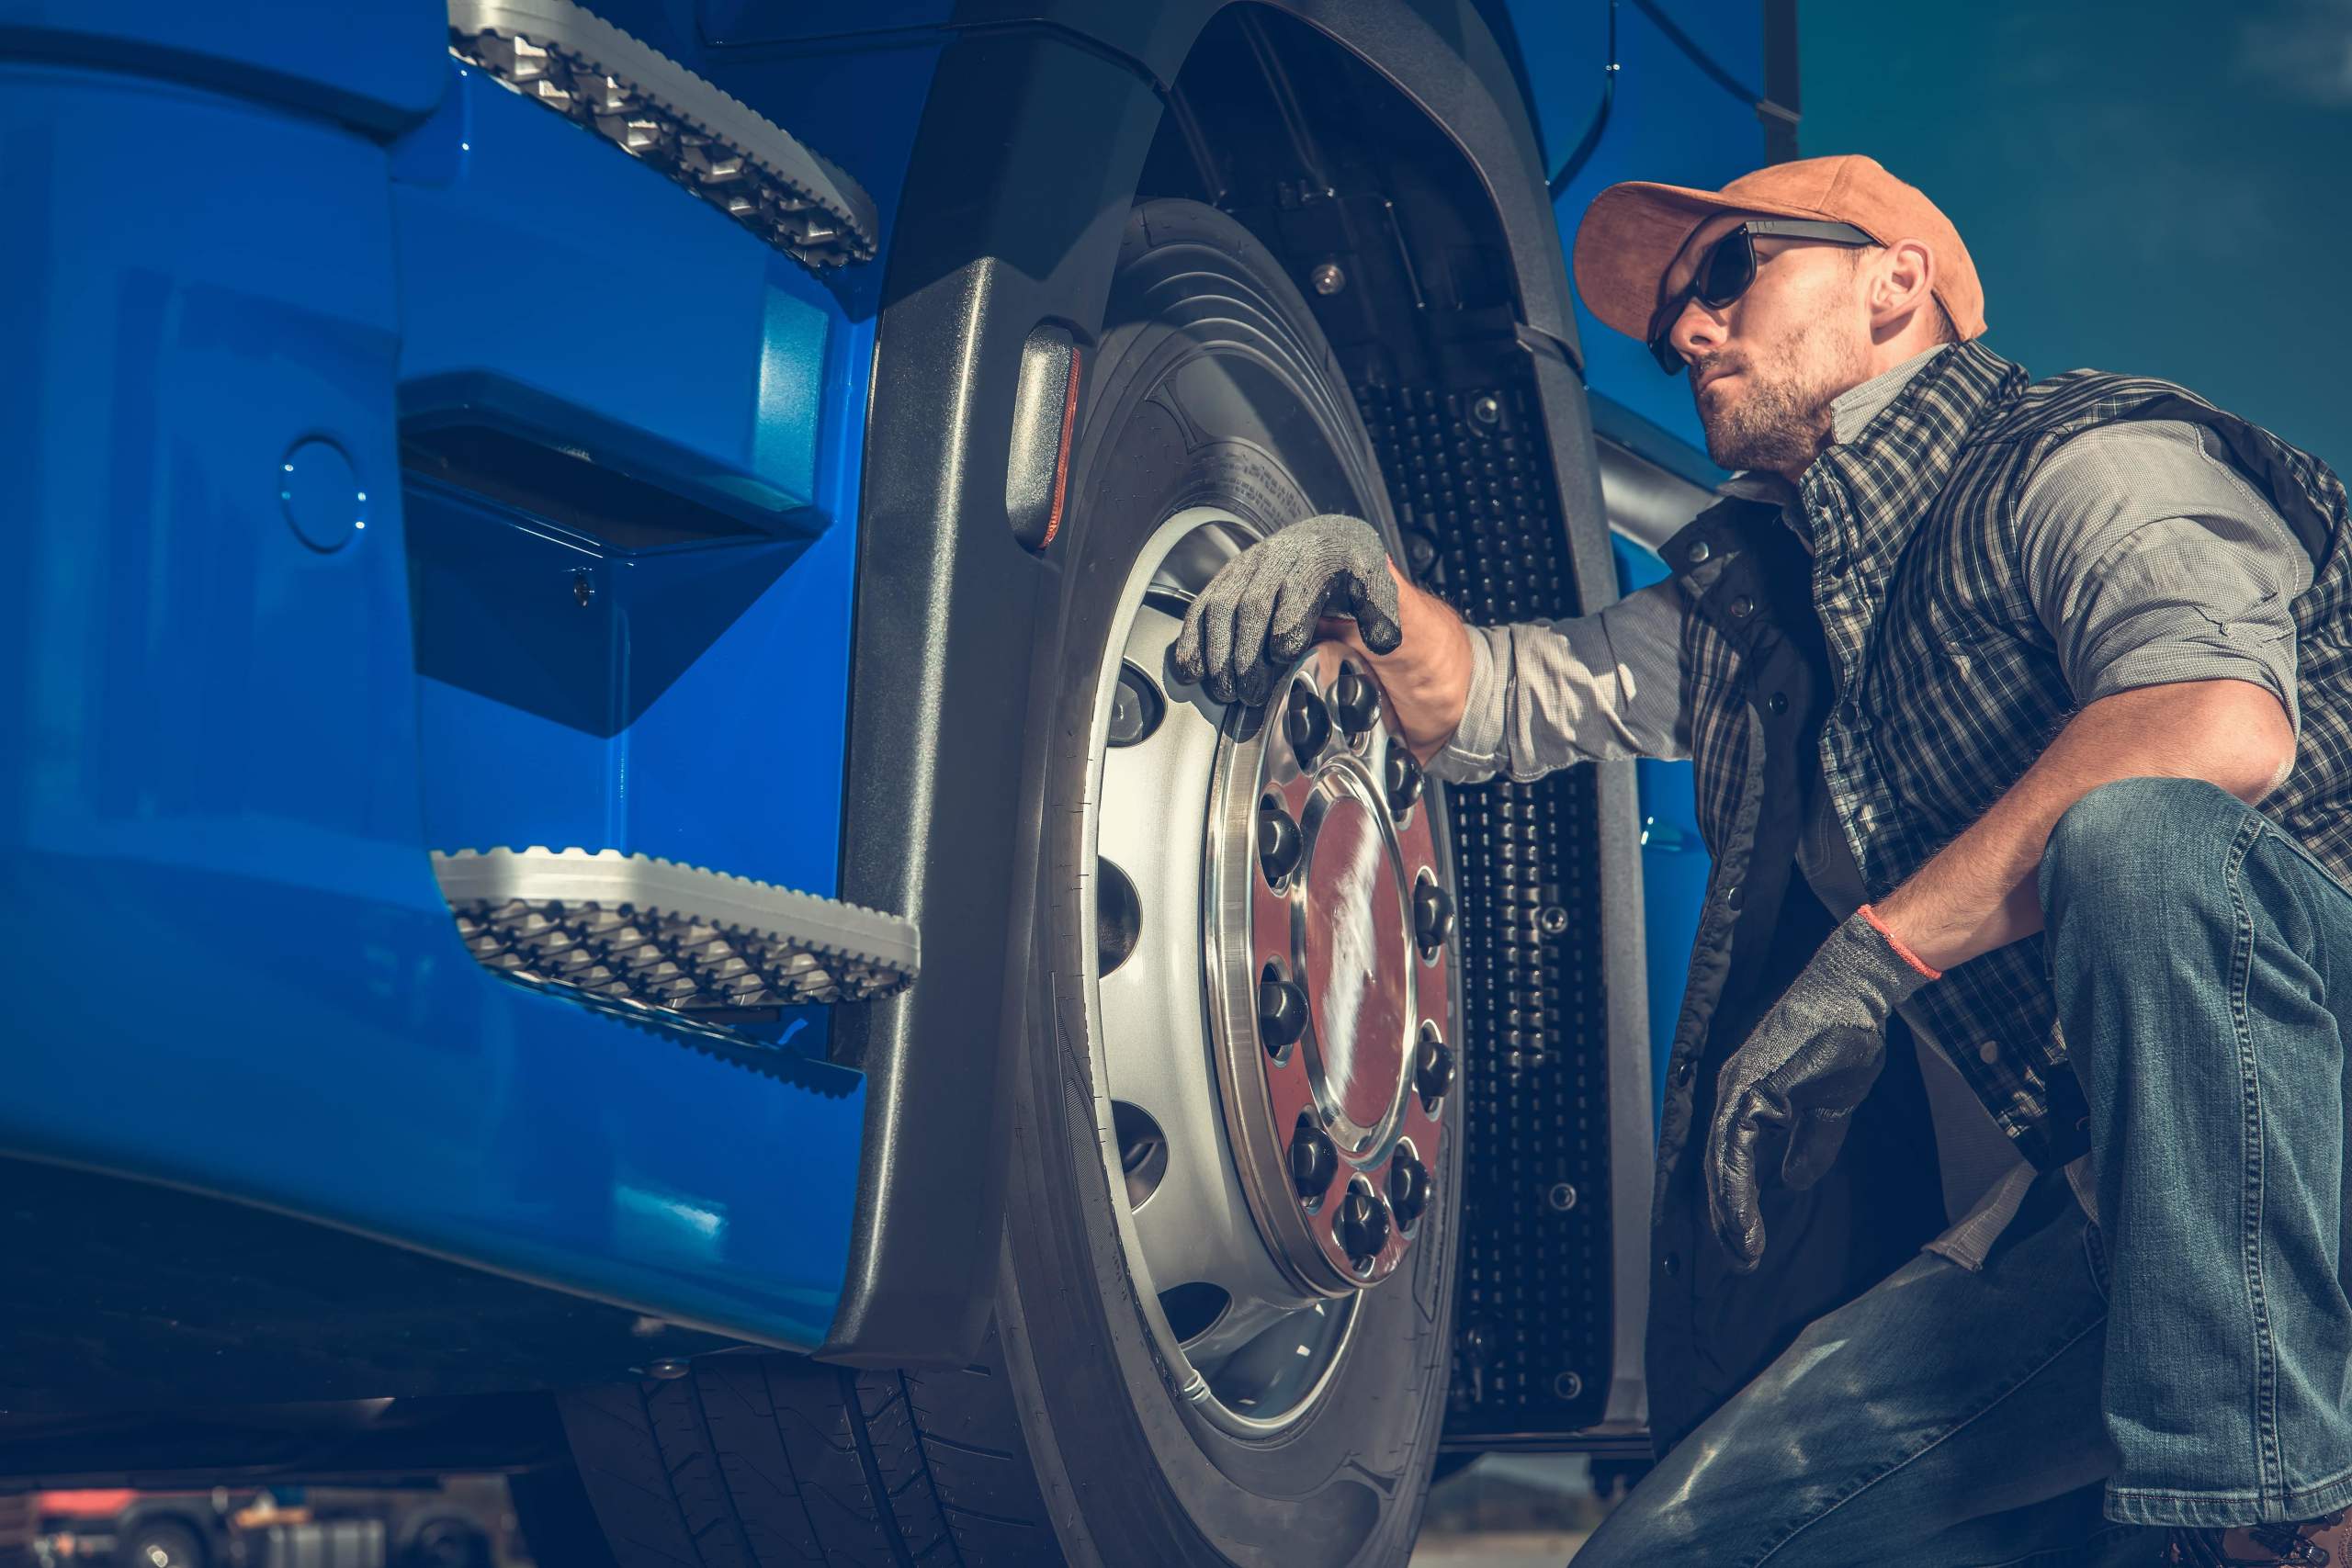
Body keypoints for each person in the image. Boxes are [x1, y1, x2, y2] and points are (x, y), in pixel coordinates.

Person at [1168, 153, 2352, 1566]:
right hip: (2125, 1222)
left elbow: (2209, 727)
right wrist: (1358, 583)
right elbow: (1487, 697)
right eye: (1672, 321)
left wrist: (1875, 958)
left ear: (1894, 282)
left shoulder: (2084, 457)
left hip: (2304, 1121)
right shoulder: (1756, 610)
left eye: (1731, 271)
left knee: (2145, 843)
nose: (1685, 330)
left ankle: (2286, 1522)